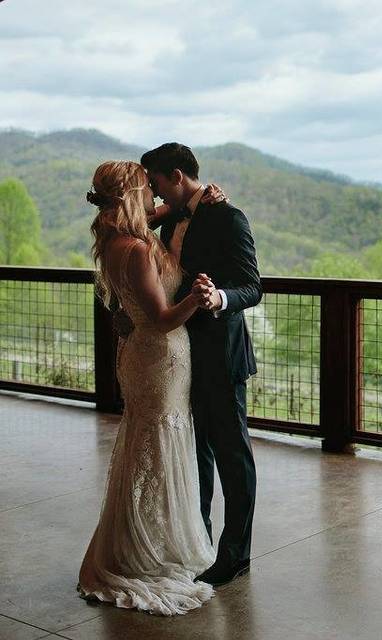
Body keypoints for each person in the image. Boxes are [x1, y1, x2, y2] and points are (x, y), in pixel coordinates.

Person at [78, 161, 216, 615]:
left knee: (145, 443)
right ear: (133, 196)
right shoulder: (137, 249)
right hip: (159, 355)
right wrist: (195, 300)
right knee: (158, 446)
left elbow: (133, 308)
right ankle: (148, 550)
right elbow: (159, 320)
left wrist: (188, 206)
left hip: (139, 356)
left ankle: (138, 540)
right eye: (146, 192)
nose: (154, 198)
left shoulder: (115, 242)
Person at [140, 142, 262, 587]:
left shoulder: (229, 217)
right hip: (178, 353)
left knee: (233, 454)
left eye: (155, 182)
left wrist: (219, 298)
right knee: (198, 453)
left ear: (175, 175)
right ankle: (200, 540)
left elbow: (252, 285)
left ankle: (236, 554)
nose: (152, 191)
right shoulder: (170, 215)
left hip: (220, 354)